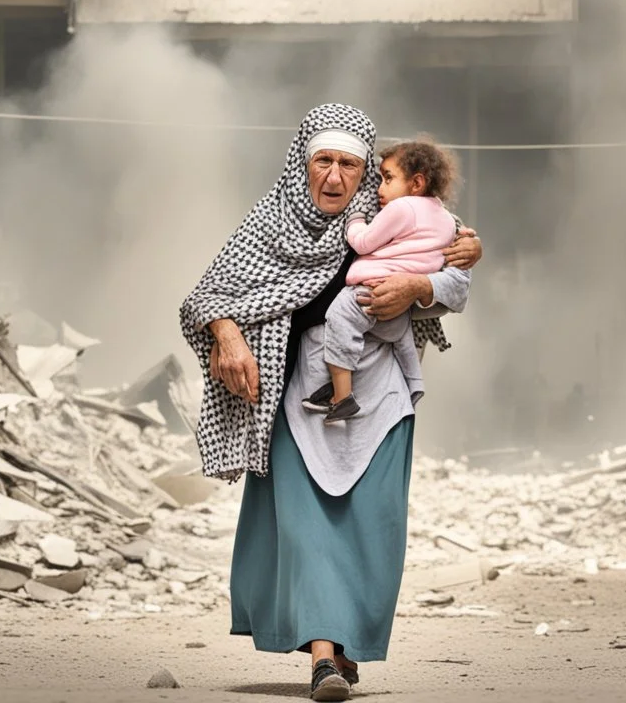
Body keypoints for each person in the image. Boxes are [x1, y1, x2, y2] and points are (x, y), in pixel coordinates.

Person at [178, 104, 482, 702]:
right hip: (299, 398)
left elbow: (456, 279)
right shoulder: (270, 224)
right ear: (303, 165)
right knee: (309, 530)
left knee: (372, 527)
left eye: (349, 164)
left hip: (381, 398)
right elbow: (205, 295)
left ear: (369, 171)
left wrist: (419, 286)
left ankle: (343, 646)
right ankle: (323, 660)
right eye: (324, 161)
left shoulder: (396, 215)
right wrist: (229, 331)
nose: (335, 177)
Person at [302, 139, 460, 424]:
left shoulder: (400, 210)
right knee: (402, 341)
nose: (379, 188)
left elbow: (363, 243)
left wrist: (355, 219)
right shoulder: (448, 220)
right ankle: (414, 386)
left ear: (417, 183)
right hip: (399, 313)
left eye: (387, 179)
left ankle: (341, 397)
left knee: (338, 319)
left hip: (368, 292)